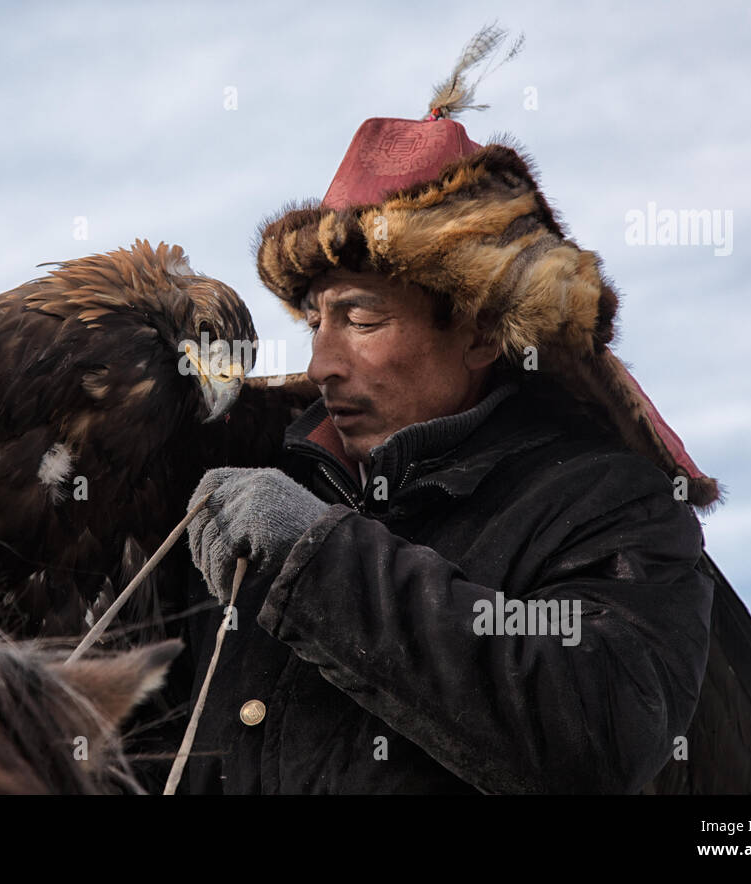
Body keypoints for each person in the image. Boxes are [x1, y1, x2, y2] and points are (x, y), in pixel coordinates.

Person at [178, 45, 721, 794]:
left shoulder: (611, 507)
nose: (320, 364)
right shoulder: (266, 489)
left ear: (480, 332)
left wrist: (318, 561)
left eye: (361, 318)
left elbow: (594, 733)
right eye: (314, 323)